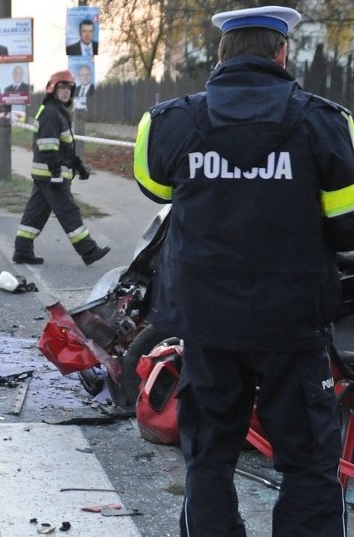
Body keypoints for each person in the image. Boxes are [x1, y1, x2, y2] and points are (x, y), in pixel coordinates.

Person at [133, 6, 354, 536]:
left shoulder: (168, 122)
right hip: (293, 326)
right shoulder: (327, 123)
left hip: (207, 326)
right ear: (282, 53)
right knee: (307, 460)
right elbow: (348, 228)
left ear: (221, 55)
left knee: (209, 456)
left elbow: (156, 189)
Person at [13, 70, 110, 266]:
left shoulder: (57, 111)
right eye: (62, 87)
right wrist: (56, 172)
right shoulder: (51, 112)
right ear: (53, 89)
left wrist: (78, 164)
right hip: (52, 175)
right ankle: (89, 251)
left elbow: (65, 146)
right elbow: (48, 145)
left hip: (46, 175)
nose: (66, 91)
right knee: (69, 212)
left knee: (36, 213)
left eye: (69, 88)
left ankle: (22, 251)